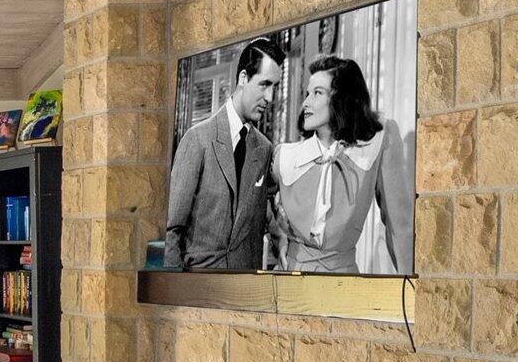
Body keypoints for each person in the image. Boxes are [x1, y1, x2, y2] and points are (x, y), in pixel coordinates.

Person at [270, 55, 415, 274]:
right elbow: (255, 203)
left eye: (317, 93)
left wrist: (410, 288)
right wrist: (277, 234)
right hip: (290, 281)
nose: (305, 103)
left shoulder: (377, 143)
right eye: (307, 93)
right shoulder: (285, 156)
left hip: (345, 287)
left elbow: (400, 225)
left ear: (341, 99)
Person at [162, 36, 284, 270]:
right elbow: (172, 229)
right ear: (243, 78)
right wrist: (176, 288)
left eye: (275, 87)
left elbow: (258, 214)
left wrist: (281, 236)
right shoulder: (198, 139)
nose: (270, 98)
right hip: (199, 286)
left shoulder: (264, 148)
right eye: (265, 84)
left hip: (243, 289)